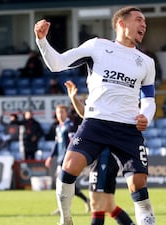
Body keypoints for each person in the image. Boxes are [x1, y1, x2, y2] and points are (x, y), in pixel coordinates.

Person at [34, 6, 157, 225]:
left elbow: (149, 98)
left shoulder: (146, 62)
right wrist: (42, 41)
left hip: (128, 128)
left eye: (145, 22)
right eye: (139, 20)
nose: (143, 25)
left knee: (138, 186)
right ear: (121, 23)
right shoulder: (97, 46)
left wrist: (146, 115)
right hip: (96, 123)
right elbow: (57, 64)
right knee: (68, 168)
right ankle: (66, 218)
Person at [65, 80, 135, 225]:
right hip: (106, 156)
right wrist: (74, 98)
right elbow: (86, 115)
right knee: (109, 205)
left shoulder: (107, 99)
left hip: (104, 156)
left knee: (96, 205)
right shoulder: (100, 100)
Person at [44, 104, 91, 216]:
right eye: (58, 112)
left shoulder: (70, 125)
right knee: (65, 184)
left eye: (62, 112)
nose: (59, 115)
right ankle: (84, 200)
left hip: (67, 158)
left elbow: (73, 141)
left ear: (66, 113)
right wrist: (51, 156)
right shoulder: (59, 127)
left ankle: (63, 209)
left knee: (62, 184)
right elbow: (57, 144)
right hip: (60, 158)